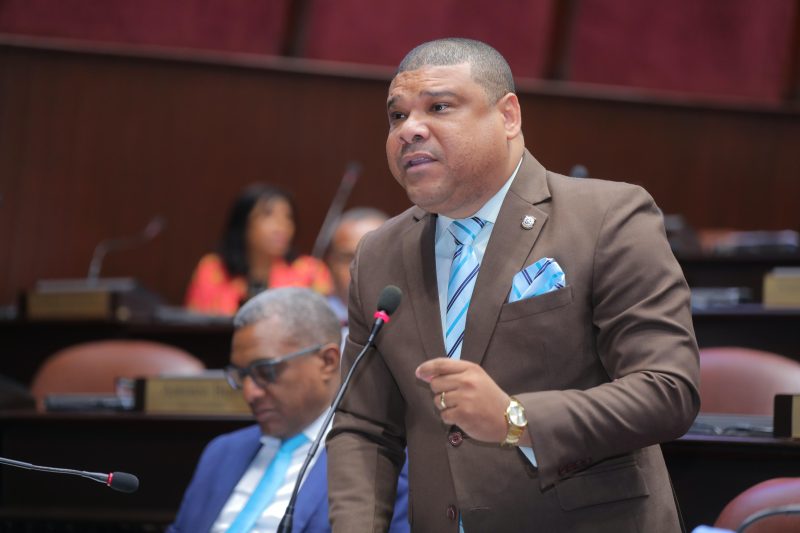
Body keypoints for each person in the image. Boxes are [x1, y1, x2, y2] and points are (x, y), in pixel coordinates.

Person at [326, 38, 700, 532]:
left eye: (439, 107)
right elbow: (364, 427)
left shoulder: (608, 216)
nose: (409, 130)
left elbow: (667, 391)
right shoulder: (378, 253)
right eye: (397, 116)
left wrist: (515, 418)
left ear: (507, 116)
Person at [169, 287, 409, 533]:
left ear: (327, 361)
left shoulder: (380, 460)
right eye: (242, 376)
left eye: (266, 371)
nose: (250, 393)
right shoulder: (222, 452)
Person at [185, 184, 332, 315]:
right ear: (243, 224)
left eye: (288, 217)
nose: (281, 226)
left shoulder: (311, 271)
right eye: (268, 215)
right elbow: (197, 325)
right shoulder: (213, 269)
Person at [324, 207, 389, 325]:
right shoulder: (309, 321)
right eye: (349, 258)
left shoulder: (413, 321)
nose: (360, 270)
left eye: (372, 258)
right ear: (330, 262)